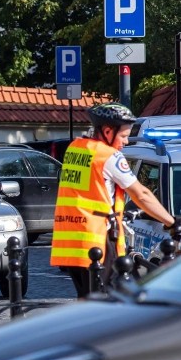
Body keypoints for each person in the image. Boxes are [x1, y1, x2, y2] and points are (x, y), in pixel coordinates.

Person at [51, 103, 176, 298]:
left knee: (87, 302)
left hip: (72, 241)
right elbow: (141, 194)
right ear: (108, 131)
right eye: (124, 136)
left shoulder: (75, 149)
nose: (126, 142)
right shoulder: (108, 156)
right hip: (99, 240)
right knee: (105, 305)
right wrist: (172, 222)